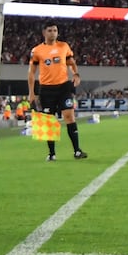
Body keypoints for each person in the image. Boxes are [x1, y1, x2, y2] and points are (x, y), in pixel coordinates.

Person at [27, 22, 86, 162]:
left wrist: (76, 74)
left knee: (69, 116)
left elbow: (71, 63)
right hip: (46, 89)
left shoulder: (64, 46)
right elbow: (31, 73)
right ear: (44, 33)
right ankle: (52, 153)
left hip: (63, 87)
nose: (53, 33)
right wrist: (31, 93)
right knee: (49, 121)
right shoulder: (37, 51)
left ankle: (77, 151)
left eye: (55, 30)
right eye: (50, 30)